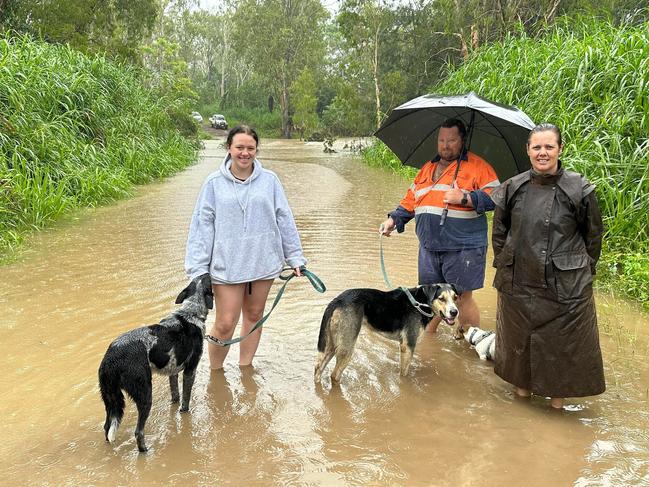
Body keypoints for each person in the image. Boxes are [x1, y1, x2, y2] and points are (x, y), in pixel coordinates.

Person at [490, 123, 605, 409]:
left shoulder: (579, 188)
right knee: (520, 348)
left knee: (562, 350)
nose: (543, 153)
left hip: (565, 287)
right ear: (528, 150)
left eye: (549, 147)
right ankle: (521, 407)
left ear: (560, 149)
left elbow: (593, 235)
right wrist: (507, 264)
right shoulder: (512, 188)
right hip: (519, 283)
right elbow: (499, 232)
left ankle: (557, 409)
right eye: (537, 147)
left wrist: (579, 270)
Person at [185, 124, 307, 370]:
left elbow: (284, 218)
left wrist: (295, 257)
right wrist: (198, 269)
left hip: (263, 262)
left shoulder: (270, 181)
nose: (245, 153)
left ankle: (245, 369)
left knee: (254, 317)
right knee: (225, 322)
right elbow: (202, 225)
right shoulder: (213, 183)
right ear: (229, 148)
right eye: (239, 147)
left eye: (250, 148)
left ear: (256, 150)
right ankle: (215, 373)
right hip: (227, 265)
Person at [380, 118, 500, 335]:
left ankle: (472, 344)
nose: (445, 145)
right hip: (429, 246)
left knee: (461, 297)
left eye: (451, 140)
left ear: (462, 140)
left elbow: (497, 198)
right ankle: (429, 341)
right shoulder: (428, 168)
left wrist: (465, 197)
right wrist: (393, 219)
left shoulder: (478, 167)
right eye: (442, 140)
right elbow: (411, 199)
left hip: (463, 247)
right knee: (431, 297)